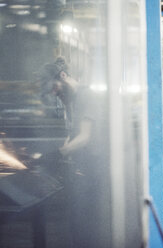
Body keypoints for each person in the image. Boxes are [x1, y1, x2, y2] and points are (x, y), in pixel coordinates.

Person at [39, 57, 110, 248]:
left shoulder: (87, 96)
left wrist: (57, 154)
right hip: (86, 174)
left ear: (63, 76)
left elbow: (85, 137)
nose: (55, 94)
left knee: (91, 230)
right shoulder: (73, 101)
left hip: (99, 175)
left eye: (55, 88)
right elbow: (72, 136)